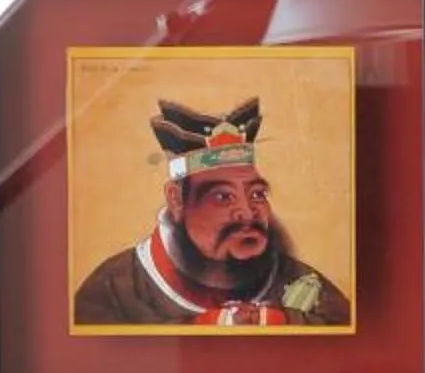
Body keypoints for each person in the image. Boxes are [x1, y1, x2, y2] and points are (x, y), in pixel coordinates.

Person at [73, 99, 352, 328]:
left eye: (257, 194)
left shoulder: (297, 279)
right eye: (222, 197)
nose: (247, 213)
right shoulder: (113, 290)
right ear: (176, 199)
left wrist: (280, 320)